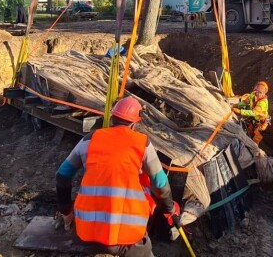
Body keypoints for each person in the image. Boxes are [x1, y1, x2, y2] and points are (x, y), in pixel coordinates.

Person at [54, 96, 180, 257]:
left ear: (112, 118)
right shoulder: (142, 143)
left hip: (86, 233)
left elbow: (62, 175)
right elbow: (161, 184)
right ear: (135, 123)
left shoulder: (89, 140)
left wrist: (66, 211)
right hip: (127, 238)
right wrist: (170, 210)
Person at [232, 81, 270, 145]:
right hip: (254, 120)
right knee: (249, 132)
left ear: (264, 93)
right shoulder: (252, 95)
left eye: (260, 92)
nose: (257, 93)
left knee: (256, 137)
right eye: (256, 90)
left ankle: (253, 150)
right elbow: (245, 102)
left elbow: (253, 112)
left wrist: (241, 111)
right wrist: (236, 105)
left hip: (261, 123)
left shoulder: (263, 103)